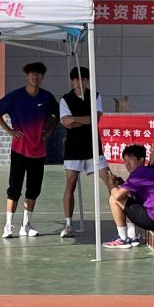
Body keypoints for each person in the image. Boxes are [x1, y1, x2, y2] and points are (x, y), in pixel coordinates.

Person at [0, 61, 60, 239]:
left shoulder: (46, 97)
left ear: (42, 77)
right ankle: (8, 226)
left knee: (33, 190)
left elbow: (59, 114)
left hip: (38, 151)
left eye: (38, 74)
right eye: (32, 73)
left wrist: (50, 131)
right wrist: (8, 130)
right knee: (14, 189)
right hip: (19, 150)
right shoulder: (16, 96)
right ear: (26, 75)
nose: (35, 76)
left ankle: (26, 225)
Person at [103, 143, 154, 250]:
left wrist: (111, 184)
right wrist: (122, 183)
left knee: (113, 199)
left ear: (141, 160)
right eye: (125, 160)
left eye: (130, 159)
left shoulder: (138, 174)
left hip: (153, 219)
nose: (127, 164)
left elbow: (118, 196)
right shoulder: (146, 172)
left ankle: (123, 239)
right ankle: (132, 237)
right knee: (128, 198)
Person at [55, 65, 100, 237]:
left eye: (83, 79)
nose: (80, 82)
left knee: (108, 179)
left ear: (87, 81)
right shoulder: (65, 99)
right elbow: (66, 123)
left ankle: (124, 225)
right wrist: (85, 120)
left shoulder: (95, 96)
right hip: (73, 147)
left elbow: (96, 118)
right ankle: (68, 224)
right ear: (72, 81)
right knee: (70, 184)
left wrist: (74, 118)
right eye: (76, 80)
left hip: (93, 145)